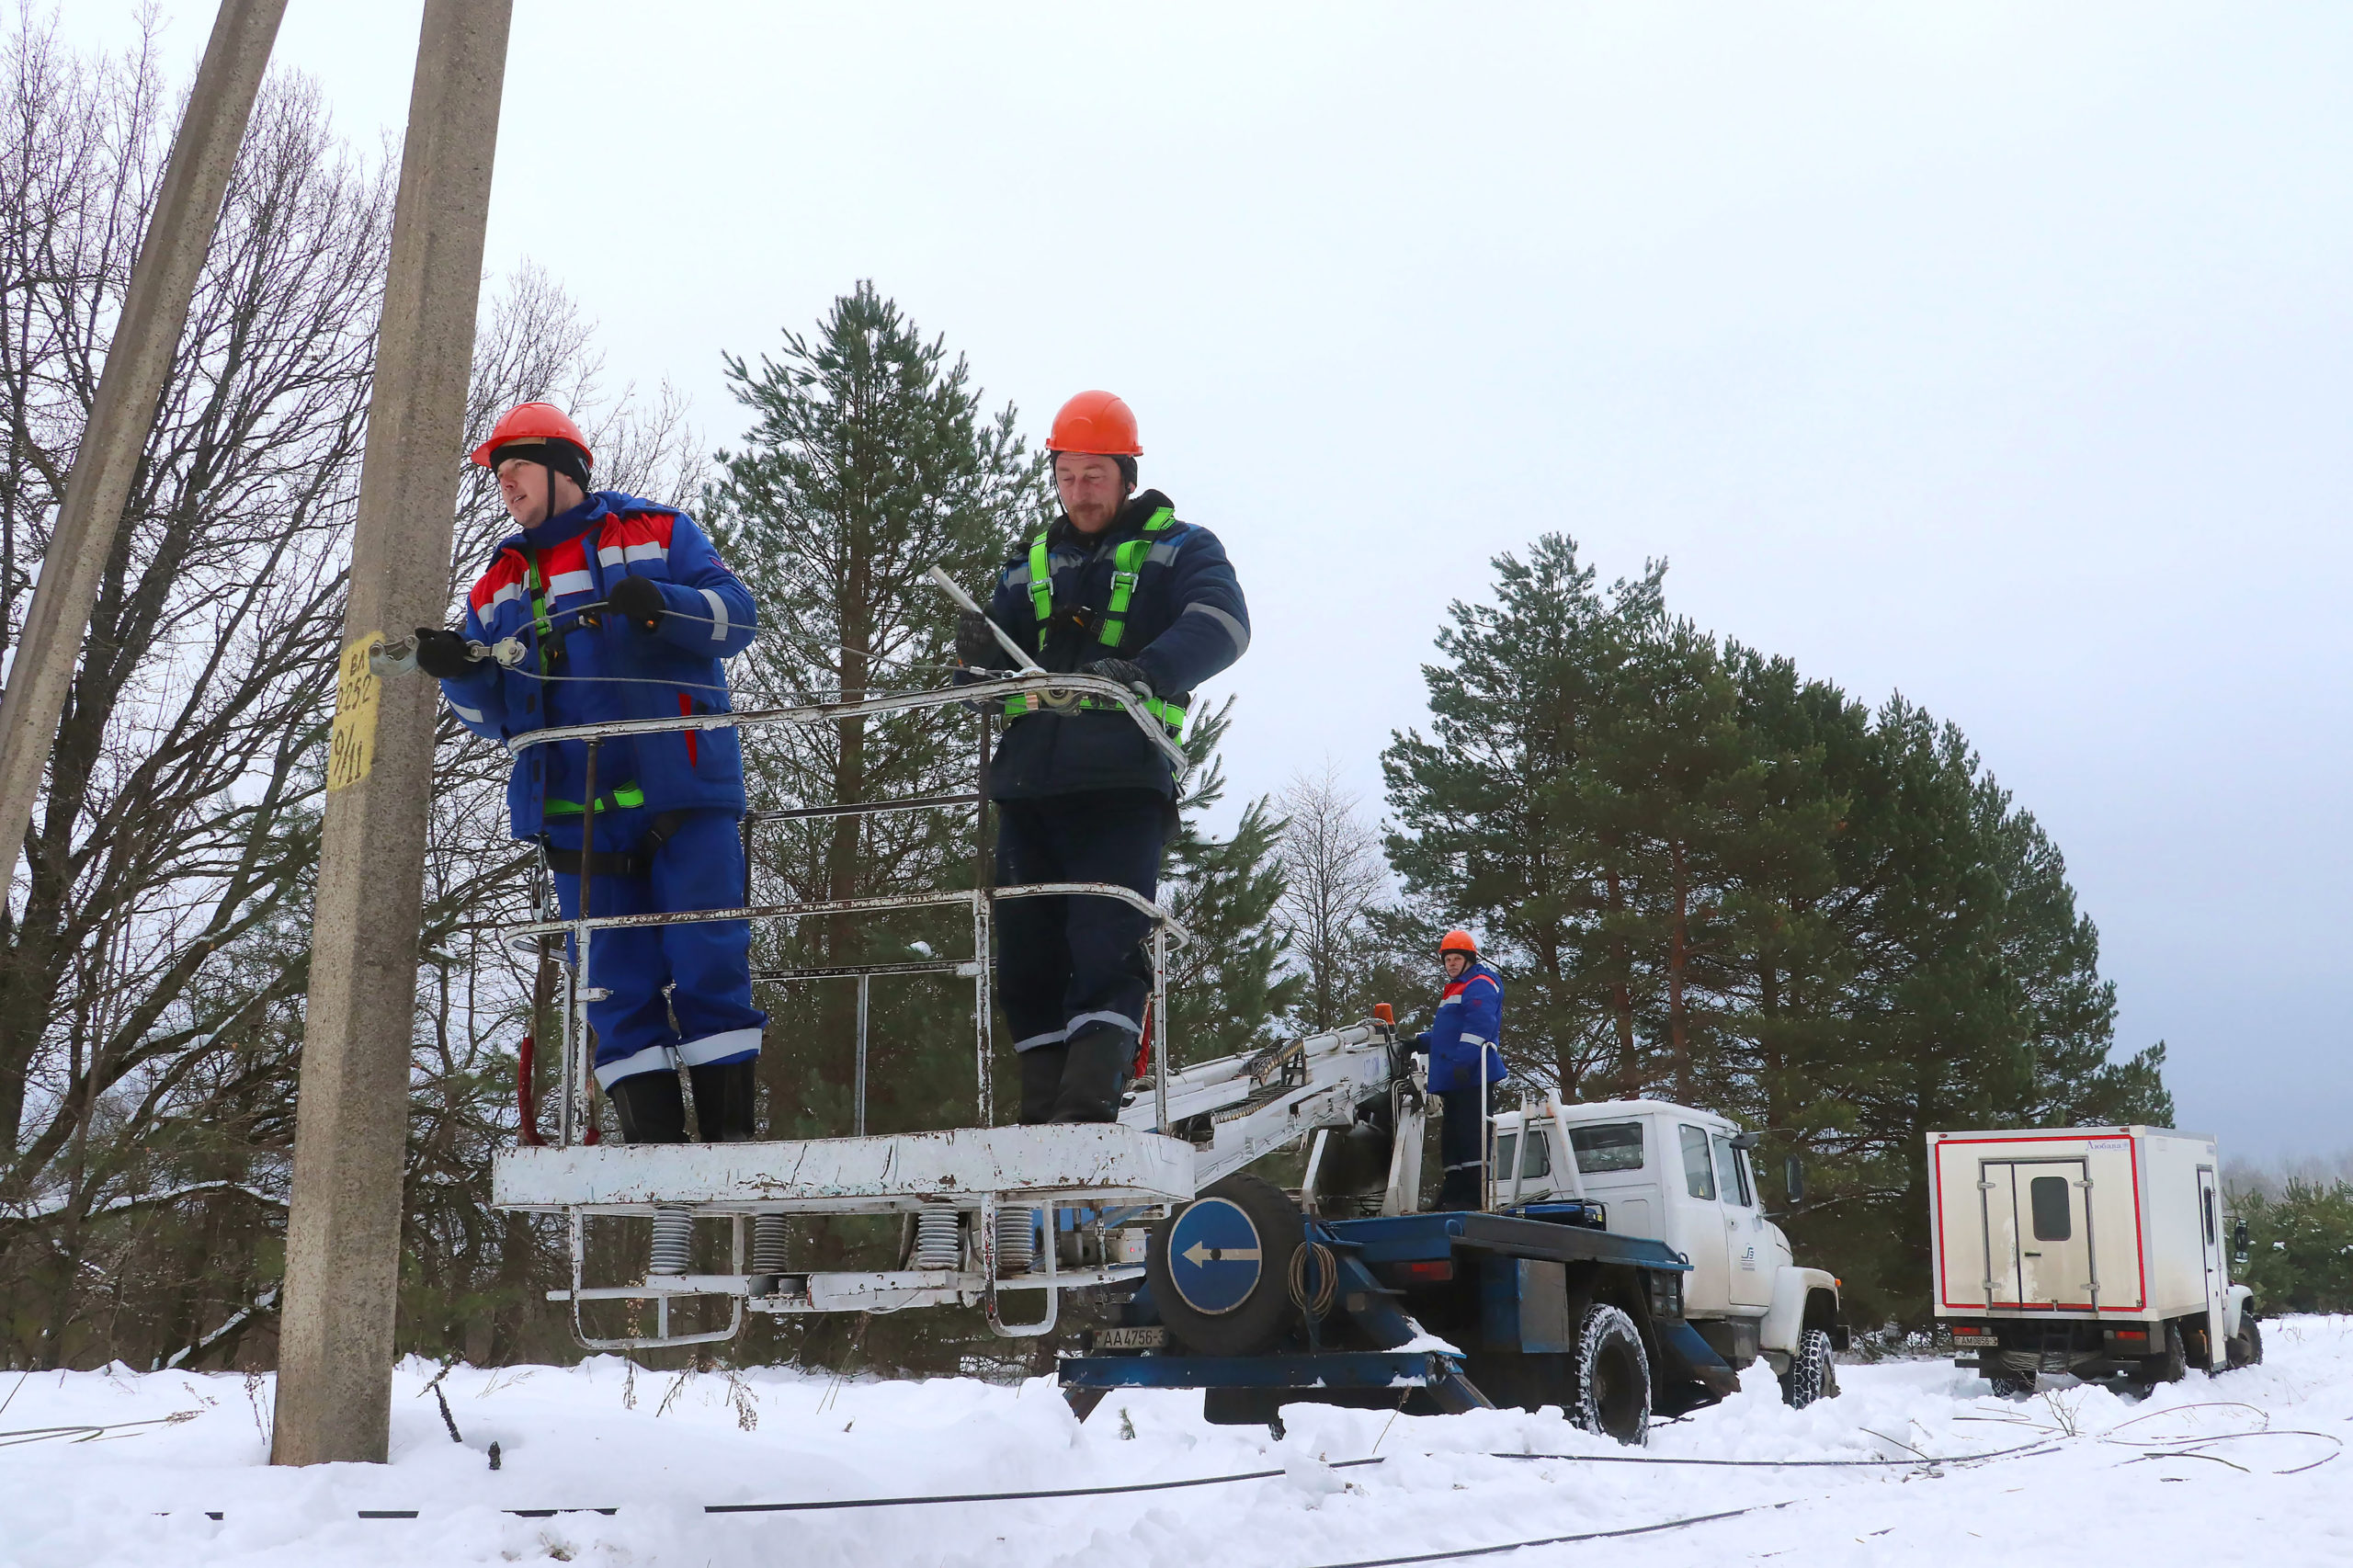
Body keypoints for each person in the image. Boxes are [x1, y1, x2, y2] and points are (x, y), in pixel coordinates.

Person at [415, 402, 767, 1145]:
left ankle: (733, 1147)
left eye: (515, 470)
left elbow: (738, 618)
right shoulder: (496, 587)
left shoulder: (662, 532)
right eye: (498, 476)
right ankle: (657, 1158)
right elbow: (491, 716)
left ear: (563, 467)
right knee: (613, 981)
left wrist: (661, 605)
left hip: (684, 790)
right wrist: (459, 676)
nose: (505, 485)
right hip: (575, 811)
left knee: (708, 954)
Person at [956, 391, 1250, 1123]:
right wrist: (977, 660)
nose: (1079, 492)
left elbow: (1224, 625)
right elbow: (985, 679)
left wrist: (1146, 668)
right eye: (1067, 477)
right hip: (1027, 787)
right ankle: (1040, 1106)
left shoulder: (1183, 549)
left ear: (1124, 473)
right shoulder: (1028, 565)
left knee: (1105, 940)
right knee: (1024, 956)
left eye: (1093, 477)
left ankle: (1089, 1099)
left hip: (1121, 781)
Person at [1416, 929, 1506, 1210]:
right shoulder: (1455, 988)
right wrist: (1419, 1042)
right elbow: (1448, 1034)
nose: (1451, 964)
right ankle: (1453, 1191)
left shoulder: (1479, 983)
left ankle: (1472, 1194)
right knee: (1452, 1134)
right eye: (1448, 959)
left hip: (1471, 1074)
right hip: (1455, 1075)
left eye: (1456, 958)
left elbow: (1479, 1024)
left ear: (1468, 959)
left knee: (1471, 1133)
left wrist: (1464, 1062)